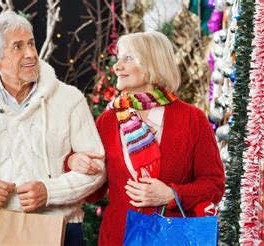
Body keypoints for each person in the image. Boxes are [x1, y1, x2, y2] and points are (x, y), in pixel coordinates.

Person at [0, 11, 105, 246]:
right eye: (17, 47)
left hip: (61, 231)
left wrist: (50, 192)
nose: (30, 54)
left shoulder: (70, 100)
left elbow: (97, 168)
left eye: (31, 44)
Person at [67, 31, 225, 245]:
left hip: (174, 238)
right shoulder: (108, 120)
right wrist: (73, 162)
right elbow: (92, 192)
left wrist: (171, 195)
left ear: (152, 63)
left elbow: (214, 185)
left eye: (128, 58)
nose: (117, 67)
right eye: (118, 58)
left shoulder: (192, 119)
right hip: (118, 237)